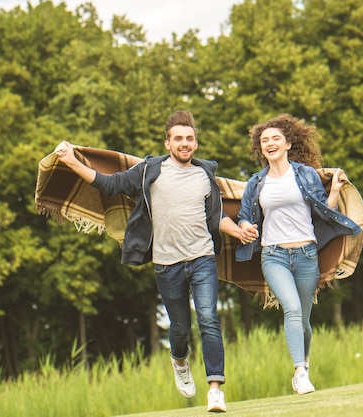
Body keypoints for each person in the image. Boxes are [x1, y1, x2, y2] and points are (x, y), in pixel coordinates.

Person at [54, 110, 250, 413]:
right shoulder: (149, 170)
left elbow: (215, 217)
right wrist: (71, 162)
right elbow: (109, 185)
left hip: (202, 258)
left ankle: (215, 389)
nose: (184, 143)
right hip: (167, 264)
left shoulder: (204, 175)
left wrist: (238, 230)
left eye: (189, 139)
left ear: (196, 143)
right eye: (178, 139)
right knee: (180, 327)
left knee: (209, 318)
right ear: (168, 143)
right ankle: (180, 361)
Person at [235, 114, 363, 394]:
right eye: (264, 140)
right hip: (274, 256)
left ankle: (304, 362)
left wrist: (336, 191)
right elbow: (245, 216)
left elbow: (321, 208)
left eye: (275, 139)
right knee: (291, 310)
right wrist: (245, 227)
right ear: (261, 147)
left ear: (288, 144)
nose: (270, 143)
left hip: (306, 254)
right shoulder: (256, 182)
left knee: (303, 321)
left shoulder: (304, 174)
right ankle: (299, 371)